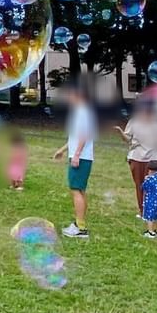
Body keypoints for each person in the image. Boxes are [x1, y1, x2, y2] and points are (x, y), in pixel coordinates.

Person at [53, 82, 96, 239]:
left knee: (75, 190)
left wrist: (76, 154)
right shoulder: (82, 112)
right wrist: (63, 150)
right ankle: (80, 224)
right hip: (82, 156)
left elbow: (83, 136)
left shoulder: (82, 112)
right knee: (80, 190)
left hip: (81, 157)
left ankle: (80, 228)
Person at [116, 99, 157, 217]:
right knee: (140, 185)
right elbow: (127, 139)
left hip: (153, 158)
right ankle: (142, 211)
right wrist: (120, 131)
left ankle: (151, 210)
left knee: (151, 186)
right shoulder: (134, 122)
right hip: (137, 157)